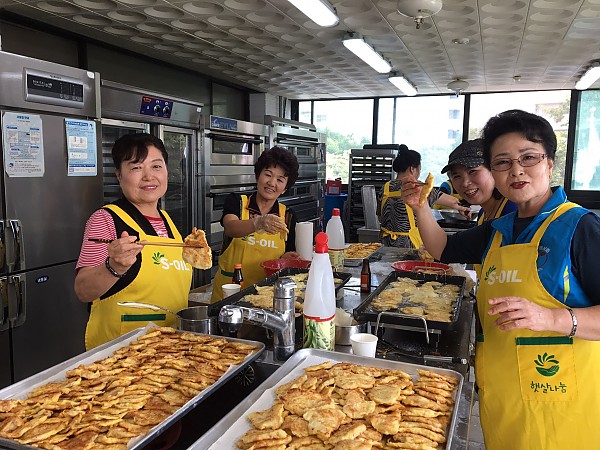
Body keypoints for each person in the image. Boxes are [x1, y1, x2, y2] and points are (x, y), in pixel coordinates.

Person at [401, 110, 600, 450]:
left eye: (528, 158)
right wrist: (421, 208)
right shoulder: (498, 231)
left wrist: (549, 317)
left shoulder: (580, 228)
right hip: (502, 400)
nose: (517, 170)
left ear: (549, 164)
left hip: (560, 405)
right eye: (503, 162)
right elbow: (442, 248)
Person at [75, 133, 193, 350]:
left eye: (156, 166)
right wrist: (114, 266)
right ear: (119, 176)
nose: (148, 176)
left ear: (167, 171)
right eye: (136, 168)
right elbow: (83, 290)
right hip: (122, 351)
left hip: (171, 346)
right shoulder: (105, 219)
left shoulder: (167, 220)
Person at [211, 146, 300, 302]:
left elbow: (288, 255)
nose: (272, 183)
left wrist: (287, 258)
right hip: (230, 296)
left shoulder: (287, 216)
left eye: (280, 180)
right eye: (268, 175)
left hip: (267, 297)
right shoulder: (237, 203)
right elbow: (230, 228)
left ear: (285, 188)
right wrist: (258, 222)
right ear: (258, 176)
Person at [379, 144, 470, 248]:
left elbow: (380, 217)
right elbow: (451, 200)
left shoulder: (385, 188)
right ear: (413, 169)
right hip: (409, 245)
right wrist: (462, 208)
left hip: (385, 244)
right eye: (419, 169)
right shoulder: (417, 187)